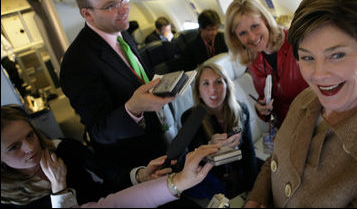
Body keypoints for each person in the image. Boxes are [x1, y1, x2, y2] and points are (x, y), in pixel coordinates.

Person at [245, 0, 357, 208]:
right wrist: (256, 198)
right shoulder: (305, 99)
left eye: (336, 55)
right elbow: (278, 158)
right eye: (307, 58)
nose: (318, 75)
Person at [59, 0, 175, 170]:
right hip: (137, 161)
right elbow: (99, 131)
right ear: (87, 14)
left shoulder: (121, 32)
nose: (124, 10)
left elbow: (134, 75)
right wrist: (132, 108)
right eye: (111, 6)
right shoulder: (77, 62)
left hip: (161, 136)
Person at [1, 105, 220, 208]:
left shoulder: (63, 148)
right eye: (14, 147)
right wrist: (60, 190)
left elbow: (107, 171)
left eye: (30, 135)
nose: (30, 148)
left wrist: (140, 175)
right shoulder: (9, 201)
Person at [224, 0, 308, 129]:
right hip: (286, 128)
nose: (252, 37)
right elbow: (268, 100)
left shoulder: (297, 42)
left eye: (255, 26)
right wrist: (262, 108)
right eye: (243, 33)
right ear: (236, 38)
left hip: (315, 124)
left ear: (265, 20)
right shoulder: (253, 61)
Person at [180, 63, 258, 200]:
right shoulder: (190, 119)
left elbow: (248, 150)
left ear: (227, 87)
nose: (213, 90)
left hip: (238, 171)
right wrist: (208, 150)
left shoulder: (241, 110)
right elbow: (192, 162)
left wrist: (253, 190)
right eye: (205, 83)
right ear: (198, 91)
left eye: (218, 82)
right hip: (210, 176)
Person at [1, 33, 28, 98]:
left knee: (18, 83)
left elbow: (8, 46)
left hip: (5, 61)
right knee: (5, 87)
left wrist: (11, 60)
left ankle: (26, 99)